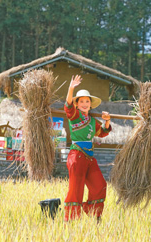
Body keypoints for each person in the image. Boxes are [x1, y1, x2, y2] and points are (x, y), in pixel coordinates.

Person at [63, 75, 112, 222]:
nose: (84, 103)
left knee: (100, 185)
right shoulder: (75, 115)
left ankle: (94, 215)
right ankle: (71, 219)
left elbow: (102, 132)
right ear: (77, 104)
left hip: (90, 158)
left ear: (91, 104)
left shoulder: (92, 121)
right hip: (76, 156)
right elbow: (68, 106)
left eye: (87, 101)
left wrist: (107, 121)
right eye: (81, 101)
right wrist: (71, 88)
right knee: (76, 189)